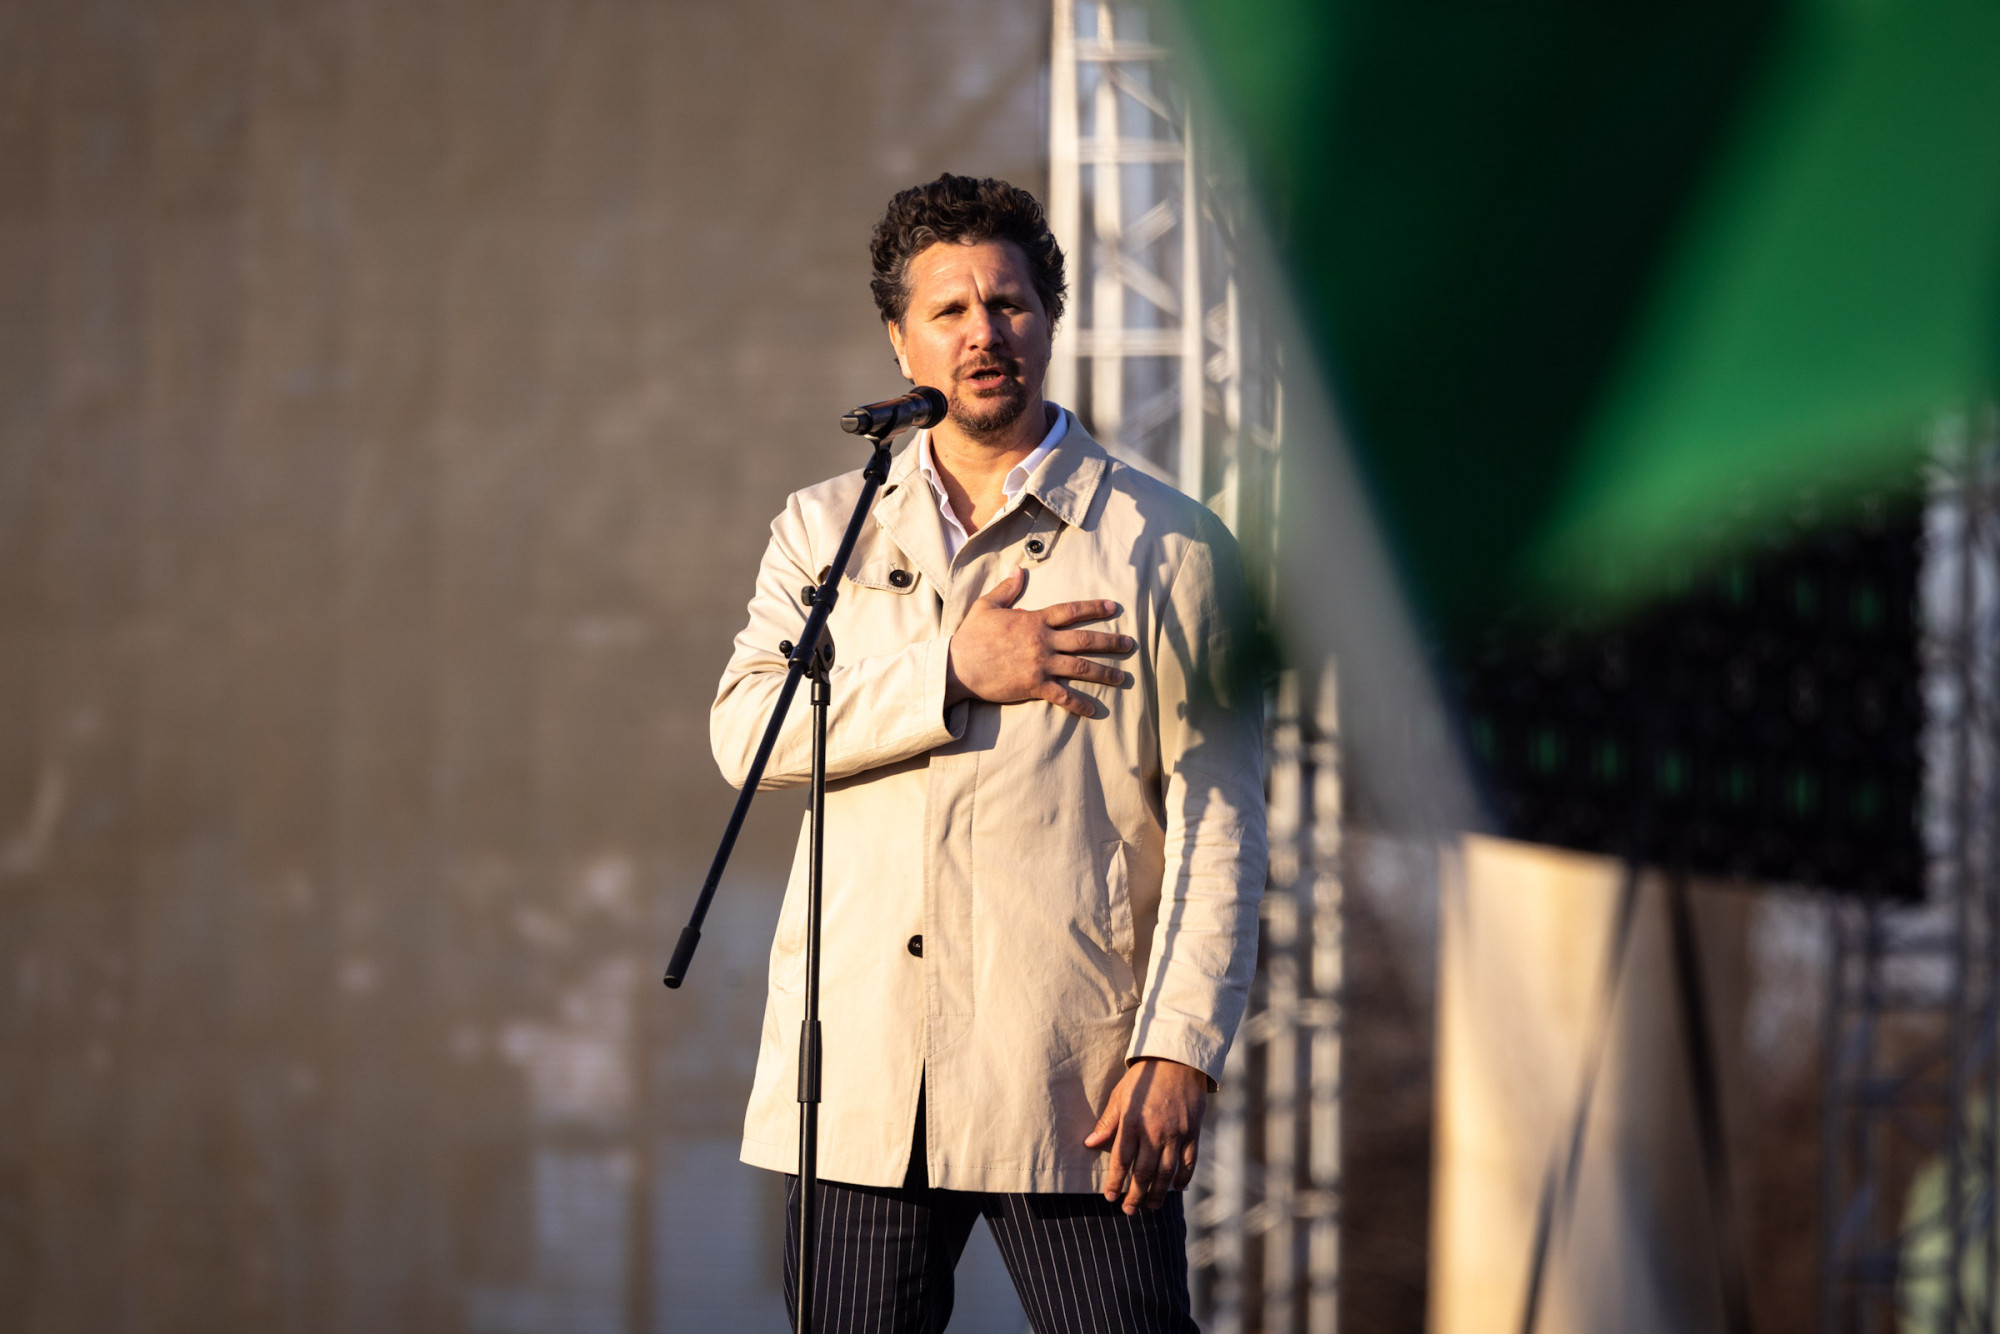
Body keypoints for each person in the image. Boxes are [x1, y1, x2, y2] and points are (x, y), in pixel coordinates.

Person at [712, 173, 1267, 1333]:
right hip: (860, 1079)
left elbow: (1219, 826)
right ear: (898, 337)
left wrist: (1179, 1050)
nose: (983, 333)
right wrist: (950, 669)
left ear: (1049, 320)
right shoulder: (823, 526)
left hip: (1072, 1081)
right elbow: (745, 731)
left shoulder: (1170, 545)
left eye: (1007, 303)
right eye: (950, 310)